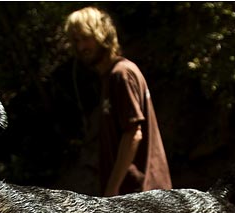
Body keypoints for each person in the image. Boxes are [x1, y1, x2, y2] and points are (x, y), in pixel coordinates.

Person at [64, 7, 172, 196]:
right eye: (76, 40)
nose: (81, 47)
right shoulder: (110, 77)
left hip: (140, 194)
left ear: (102, 33)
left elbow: (133, 134)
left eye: (86, 37)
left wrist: (112, 190)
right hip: (135, 196)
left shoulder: (121, 74)